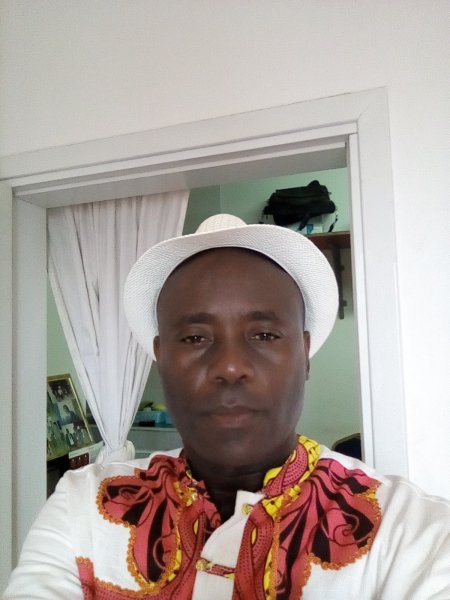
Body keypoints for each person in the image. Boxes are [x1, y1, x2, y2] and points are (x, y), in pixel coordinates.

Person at [3, 214, 449, 599]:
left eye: (265, 335)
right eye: (195, 337)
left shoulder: (409, 532)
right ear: (160, 357)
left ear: (304, 354)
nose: (230, 366)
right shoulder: (83, 507)